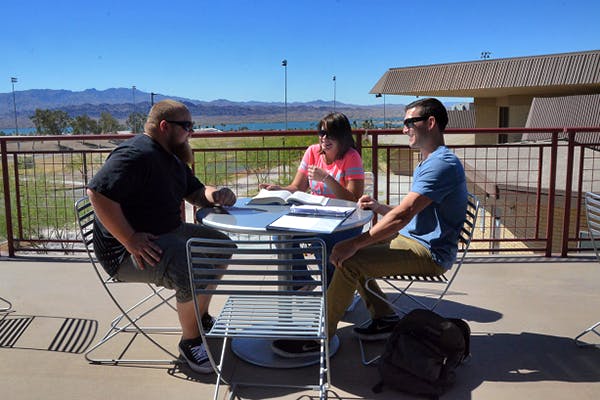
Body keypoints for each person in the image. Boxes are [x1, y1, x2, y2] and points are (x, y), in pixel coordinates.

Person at [271, 97, 468, 357]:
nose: (404, 129)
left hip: (430, 253)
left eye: (409, 122)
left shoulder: (441, 164)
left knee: (349, 258)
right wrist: (379, 207)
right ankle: (384, 317)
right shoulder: (430, 160)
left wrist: (354, 242)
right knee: (351, 253)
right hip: (414, 239)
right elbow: (409, 213)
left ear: (430, 123)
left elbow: (405, 215)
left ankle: (320, 337)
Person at [87, 99, 236, 374]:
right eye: (186, 126)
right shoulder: (136, 154)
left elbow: (195, 192)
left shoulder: (171, 157)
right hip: (125, 253)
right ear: (165, 126)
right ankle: (191, 341)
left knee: (221, 245)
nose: (191, 132)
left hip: (166, 232)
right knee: (186, 263)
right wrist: (129, 239)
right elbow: (97, 192)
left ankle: (200, 319)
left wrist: (217, 195)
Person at [259, 112, 365, 286]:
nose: (324, 138)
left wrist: (327, 178)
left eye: (330, 134)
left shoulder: (351, 157)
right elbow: (297, 187)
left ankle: (334, 293)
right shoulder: (312, 152)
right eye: (322, 133)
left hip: (345, 221)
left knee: (326, 244)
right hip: (317, 216)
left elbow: (353, 199)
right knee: (281, 235)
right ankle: (302, 282)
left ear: (342, 136)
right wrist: (279, 189)